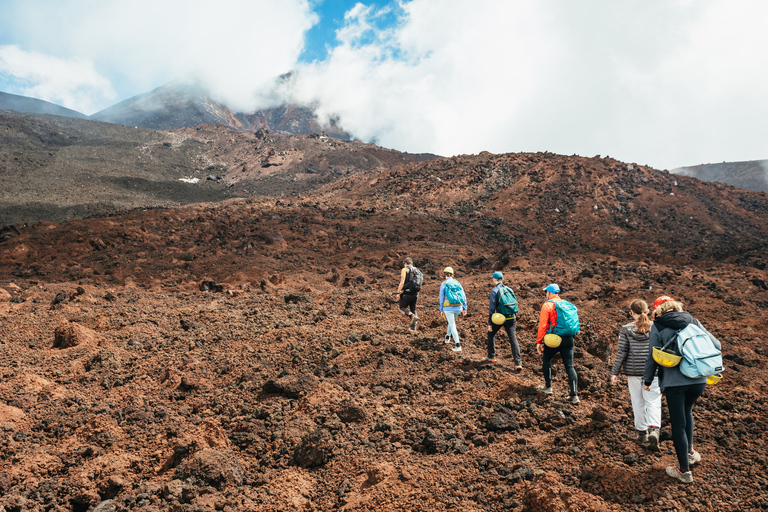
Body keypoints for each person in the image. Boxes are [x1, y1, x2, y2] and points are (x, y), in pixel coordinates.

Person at [643, 296, 720, 484]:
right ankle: (690, 452)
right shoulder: (693, 321)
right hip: (698, 380)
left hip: (675, 382)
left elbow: (652, 355)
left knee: (678, 423)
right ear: (676, 307)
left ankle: (684, 471)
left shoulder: (658, 325)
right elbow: (716, 345)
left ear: (658, 310)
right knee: (688, 412)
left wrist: (647, 379)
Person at [610, 299, 662, 449]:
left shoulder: (626, 329)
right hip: (653, 372)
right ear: (647, 312)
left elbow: (621, 353)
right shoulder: (655, 328)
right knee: (653, 401)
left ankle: (642, 433)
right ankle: (654, 430)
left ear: (631, 312)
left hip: (633, 372)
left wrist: (615, 372)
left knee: (637, 402)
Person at [536, 283, 580, 404]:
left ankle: (548, 387)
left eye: (546, 292)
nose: (546, 294)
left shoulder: (548, 305)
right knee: (570, 366)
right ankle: (574, 395)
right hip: (569, 338)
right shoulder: (567, 304)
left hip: (554, 339)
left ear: (549, 292)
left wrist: (539, 341)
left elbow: (543, 325)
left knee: (546, 359)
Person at [486, 271, 522, 369]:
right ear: (502, 279)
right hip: (512, 317)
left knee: (491, 333)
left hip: (500, 318)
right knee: (513, 338)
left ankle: (491, 356)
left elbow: (492, 309)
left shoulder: (494, 291)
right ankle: (518, 363)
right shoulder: (509, 289)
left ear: (494, 279)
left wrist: (490, 323)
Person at [438, 267, 466, 352]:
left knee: (452, 325)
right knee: (451, 322)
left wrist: (441, 309)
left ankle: (458, 345)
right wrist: (464, 308)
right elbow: (463, 296)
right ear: (453, 275)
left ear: (445, 274)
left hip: (448, 308)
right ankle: (447, 337)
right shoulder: (457, 282)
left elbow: (441, 298)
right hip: (458, 307)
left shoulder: (444, 283)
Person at [396, 258, 420, 330]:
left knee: (401, 307)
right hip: (415, 294)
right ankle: (413, 328)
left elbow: (402, 282)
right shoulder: (417, 270)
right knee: (413, 309)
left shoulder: (404, 269)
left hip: (407, 293)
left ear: (405, 264)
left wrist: (398, 293)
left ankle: (412, 316)